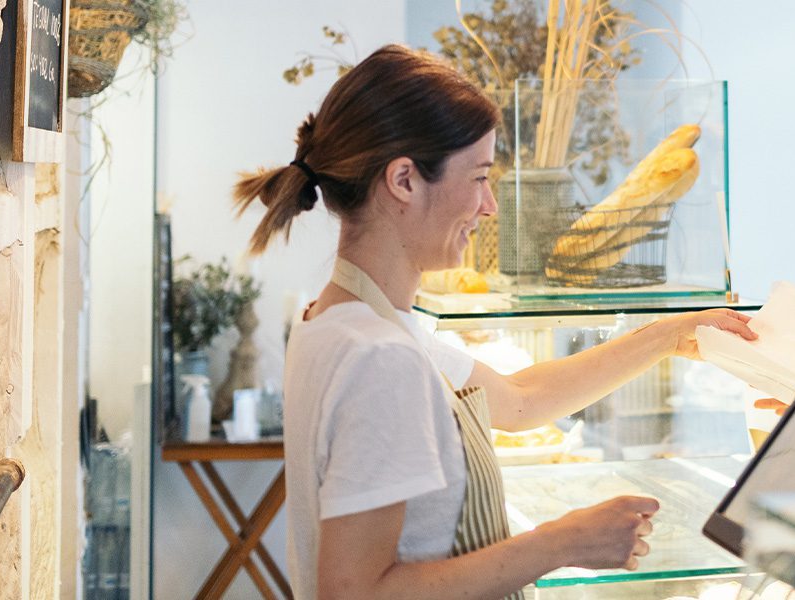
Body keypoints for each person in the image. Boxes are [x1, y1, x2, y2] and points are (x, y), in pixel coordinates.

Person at [231, 44, 756, 600]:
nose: (489, 207)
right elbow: (357, 592)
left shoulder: (335, 321)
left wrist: (671, 335)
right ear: (404, 180)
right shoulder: (381, 358)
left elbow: (519, 399)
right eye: (479, 177)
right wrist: (561, 543)